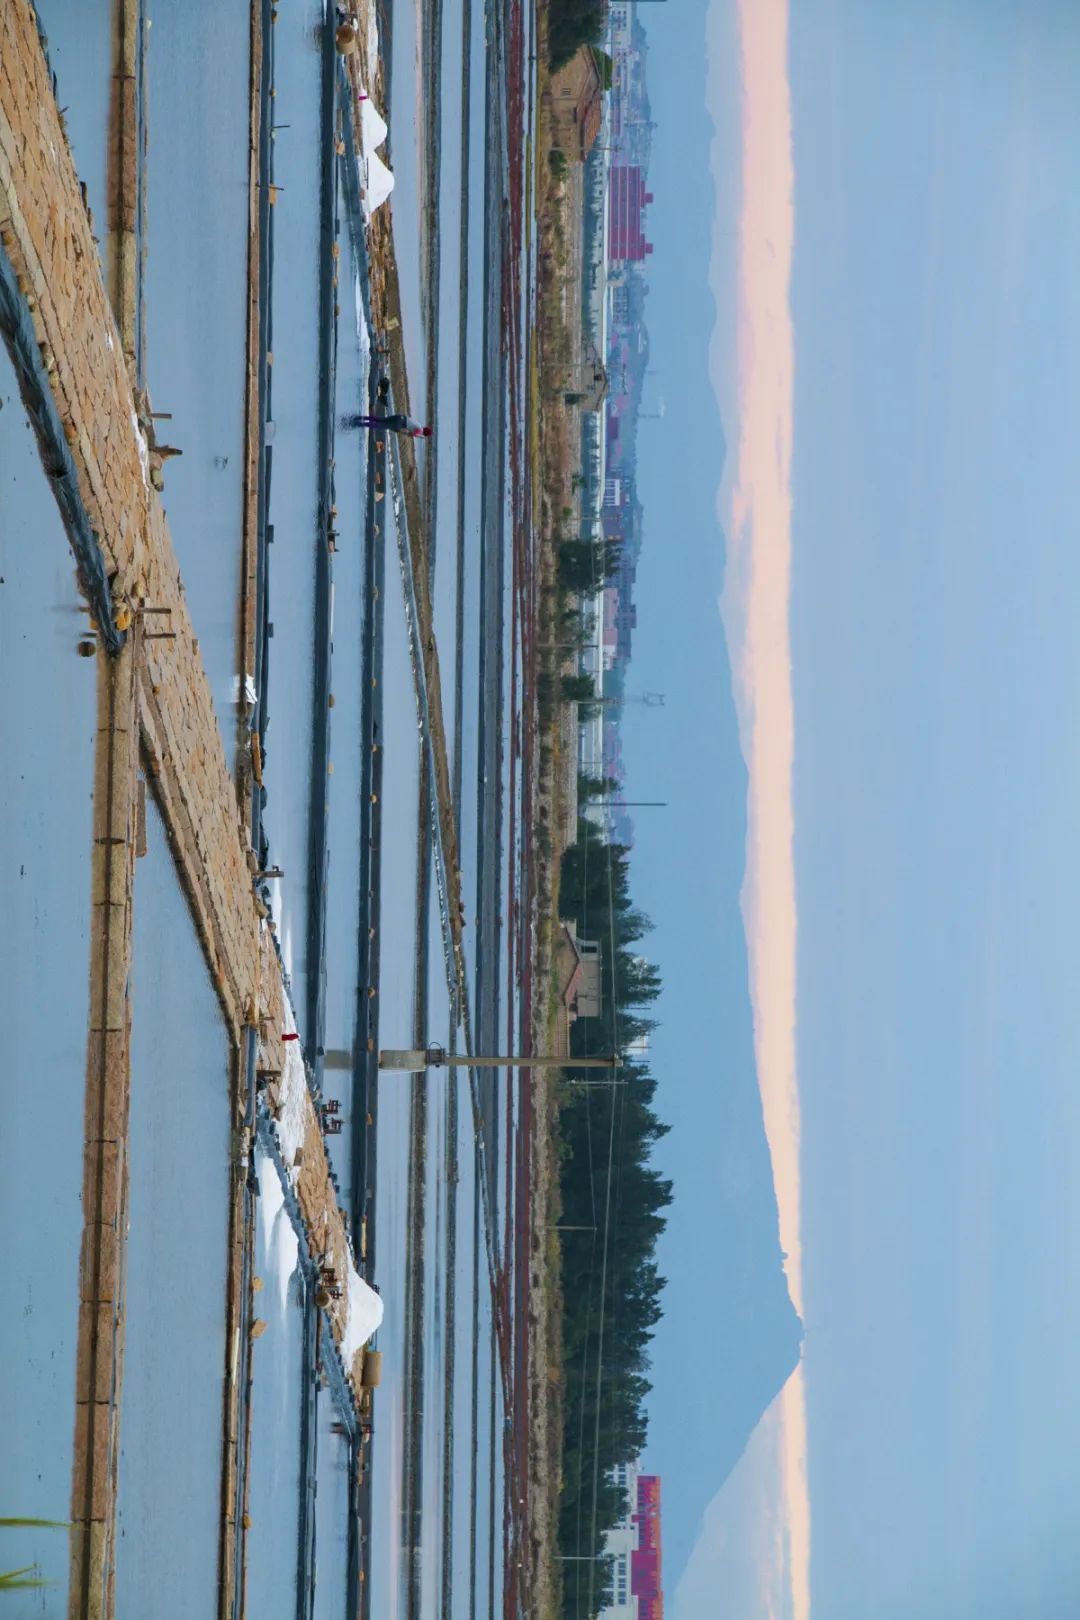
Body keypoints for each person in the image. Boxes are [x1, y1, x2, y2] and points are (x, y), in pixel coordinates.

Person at [345, 412, 432, 438]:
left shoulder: (419, 424)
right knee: (378, 425)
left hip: (400, 417)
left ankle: (359, 418)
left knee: (379, 419)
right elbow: (413, 433)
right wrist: (413, 435)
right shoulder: (420, 430)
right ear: (425, 433)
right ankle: (358, 424)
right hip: (399, 424)